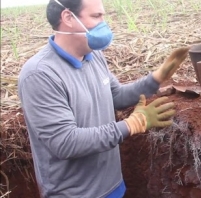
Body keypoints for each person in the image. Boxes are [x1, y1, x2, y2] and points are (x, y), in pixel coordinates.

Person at [17, 0, 189, 197]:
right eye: (96, 16)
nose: (104, 24)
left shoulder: (94, 55)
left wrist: (156, 78)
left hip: (112, 186)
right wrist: (131, 124)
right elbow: (65, 142)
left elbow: (115, 96)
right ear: (68, 18)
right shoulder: (40, 74)